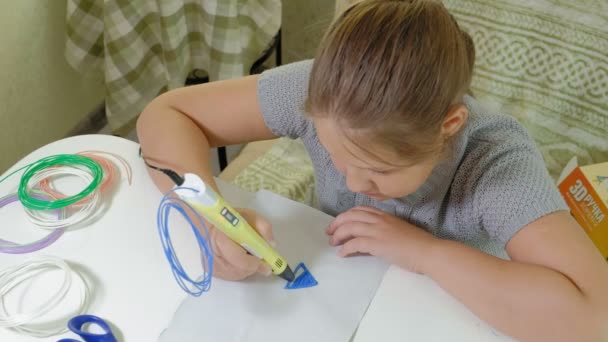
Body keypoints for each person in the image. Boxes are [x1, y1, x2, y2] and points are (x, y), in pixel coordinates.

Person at [136, 0, 608, 340]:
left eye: (378, 172)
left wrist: (425, 253)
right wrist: (210, 216)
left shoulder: (495, 162)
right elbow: (167, 116)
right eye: (333, 153)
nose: (351, 182)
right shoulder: (321, 92)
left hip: (463, 306)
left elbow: (594, 317)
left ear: (449, 126)